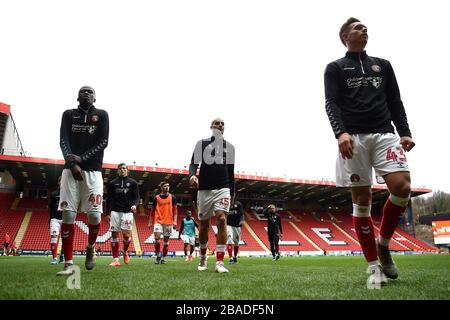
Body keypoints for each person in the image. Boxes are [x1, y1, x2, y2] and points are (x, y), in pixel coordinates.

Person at [324, 18, 415, 287]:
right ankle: (374, 266)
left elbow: (395, 100)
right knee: (362, 200)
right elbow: (331, 102)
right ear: (345, 36)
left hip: (385, 134)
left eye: (365, 27)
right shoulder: (335, 68)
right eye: (357, 28)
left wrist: (405, 131)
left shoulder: (383, 65)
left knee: (402, 187)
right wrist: (340, 133)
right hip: (354, 138)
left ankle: (383, 244)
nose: (364, 30)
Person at [56, 86, 109, 276]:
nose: (86, 93)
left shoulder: (102, 115)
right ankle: (68, 264)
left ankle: (90, 247)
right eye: (82, 91)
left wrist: (82, 159)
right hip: (70, 172)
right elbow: (63, 140)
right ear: (77, 96)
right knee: (68, 216)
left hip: (93, 172)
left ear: (95, 97)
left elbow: (103, 142)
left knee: (94, 217)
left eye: (90, 91)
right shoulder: (68, 114)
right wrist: (72, 164)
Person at [189, 117, 235, 273]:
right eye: (217, 123)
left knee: (222, 219)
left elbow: (230, 172)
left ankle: (220, 262)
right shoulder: (201, 143)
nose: (220, 125)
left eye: (223, 123)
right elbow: (193, 163)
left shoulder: (229, 147)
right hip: (204, 190)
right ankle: (203, 256)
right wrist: (192, 175)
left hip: (223, 188)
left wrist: (232, 192)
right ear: (211, 127)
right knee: (204, 225)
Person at [105, 163, 140, 267]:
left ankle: (125, 251)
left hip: (127, 212)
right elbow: (109, 199)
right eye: (120, 168)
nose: (122, 170)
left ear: (127, 170)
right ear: (117, 171)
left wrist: (135, 205)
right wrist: (107, 213)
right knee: (114, 235)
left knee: (126, 236)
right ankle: (115, 259)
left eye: (124, 168)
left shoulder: (133, 183)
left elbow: (137, 197)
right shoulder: (112, 183)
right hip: (115, 211)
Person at [148, 181, 178, 264]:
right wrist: (150, 222)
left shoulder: (173, 197)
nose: (167, 187)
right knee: (157, 239)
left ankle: (163, 258)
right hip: (158, 221)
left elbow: (175, 210)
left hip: (168, 222)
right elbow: (152, 210)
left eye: (168, 186)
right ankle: (158, 256)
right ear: (161, 188)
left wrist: (175, 221)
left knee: (166, 243)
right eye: (165, 186)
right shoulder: (156, 198)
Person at [48, 176, 65, 265]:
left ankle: (62, 255)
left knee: (65, 239)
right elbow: (50, 208)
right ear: (58, 182)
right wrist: (50, 219)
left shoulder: (68, 194)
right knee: (54, 238)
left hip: (65, 219)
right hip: (55, 219)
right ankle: (54, 258)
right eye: (61, 181)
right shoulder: (53, 194)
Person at [226, 200, 244, 264]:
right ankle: (230, 258)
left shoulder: (238, 204)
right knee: (229, 239)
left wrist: (241, 220)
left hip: (237, 226)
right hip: (228, 225)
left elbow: (241, 214)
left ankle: (235, 257)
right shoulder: (225, 203)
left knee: (236, 242)